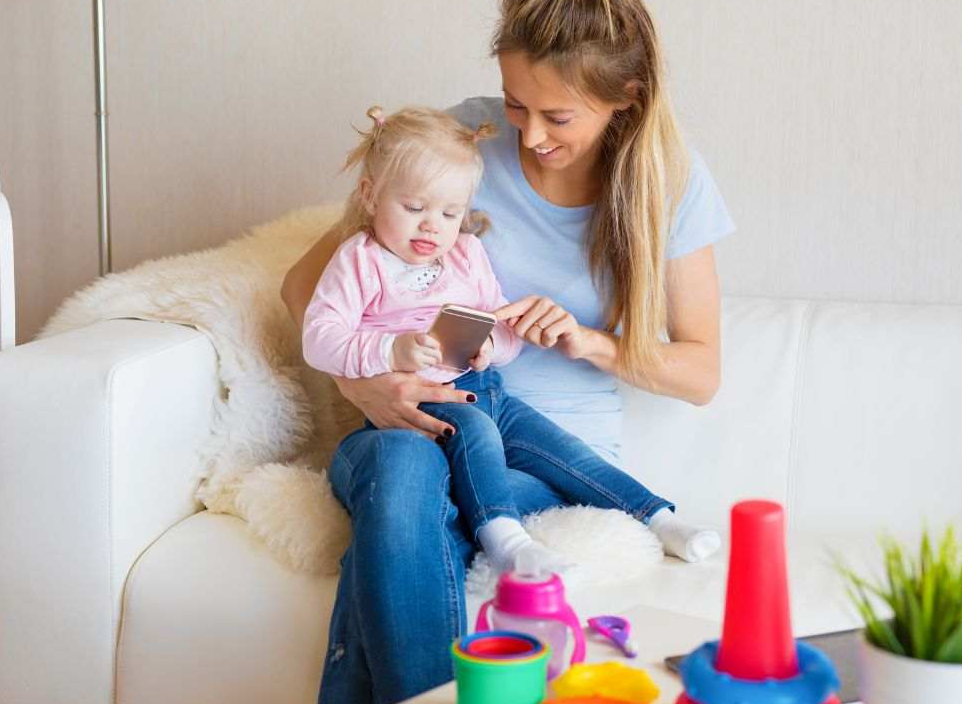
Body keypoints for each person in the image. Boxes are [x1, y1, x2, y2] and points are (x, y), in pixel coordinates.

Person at [281, 0, 734, 704]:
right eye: (516, 104)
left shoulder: (669, 180)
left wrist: (591, 341)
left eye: (558, 117)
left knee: (408, 495)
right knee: (402, 463)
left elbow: (700, 372)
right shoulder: (460, 145)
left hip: (547, 460)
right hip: (409, 423)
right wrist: (369, 387)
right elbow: (303, 289)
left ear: (624, 98)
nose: (528, 135)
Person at [301, 104, 721, 578]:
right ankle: (503, 538)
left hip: (490, 386)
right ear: (370, 196)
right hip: (434, 400)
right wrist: (388, 351)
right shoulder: (360, 259)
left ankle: (659, 517)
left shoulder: (465, 252)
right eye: (414, 208)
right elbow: (319, 337)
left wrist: (492, 345)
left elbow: (498, 322)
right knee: (474, 434)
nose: (431, 226)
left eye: (450, 212)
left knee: (562, 449)